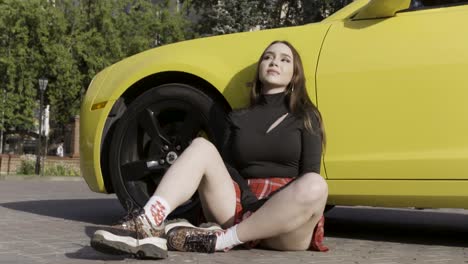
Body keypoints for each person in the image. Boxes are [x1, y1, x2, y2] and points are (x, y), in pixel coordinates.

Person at [90, 40, 329, 259]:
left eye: (285, 59)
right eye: (268, 57)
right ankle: (148, 220)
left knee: (316, 184)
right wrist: (248, 200)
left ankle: (220, 240)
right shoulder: (238, 118)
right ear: (259, 68)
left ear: (294, 75)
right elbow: (227, 168)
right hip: (241, 205)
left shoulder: (306, 117)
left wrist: (267, 207)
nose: (275, 61)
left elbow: (307, 174)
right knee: (202, 147)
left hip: (285, 222)